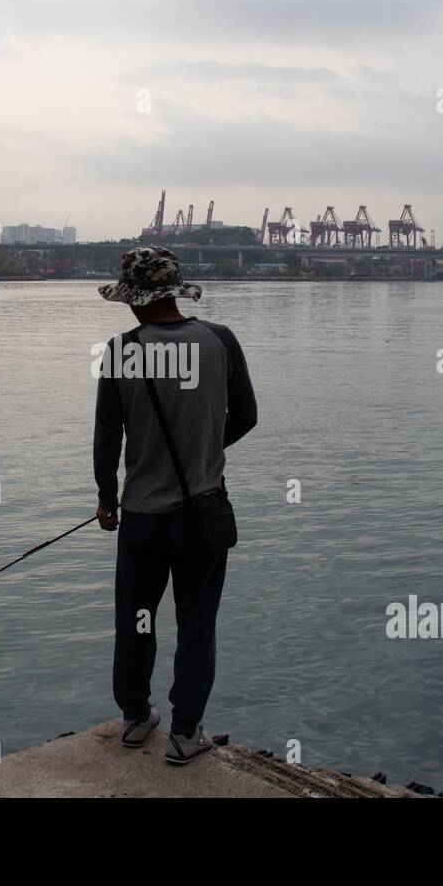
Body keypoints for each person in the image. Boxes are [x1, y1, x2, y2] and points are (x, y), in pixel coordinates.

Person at [93, 247, 257, 765]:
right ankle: (186, 734)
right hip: (202, 514)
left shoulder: (120, 351)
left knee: (136, 619)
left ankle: (136, 718)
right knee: (197, 625)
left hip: (141, 516)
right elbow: (247, 416)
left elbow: (107, 437)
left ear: (136, 300)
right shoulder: (220, 340)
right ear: (174, 291)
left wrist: (105, 499)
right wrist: (204, 449)